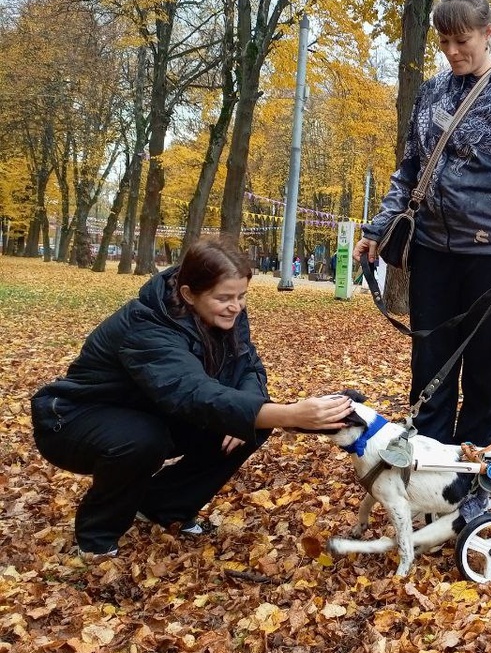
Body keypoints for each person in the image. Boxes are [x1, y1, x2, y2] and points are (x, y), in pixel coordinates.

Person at [30, 235, 353, 558]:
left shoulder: (226, 312)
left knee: (248, 422)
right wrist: (289, 415)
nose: (236, 306)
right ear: (188, 293)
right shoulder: (146, 326)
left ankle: (162, 506)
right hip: (73, 421)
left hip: (152, 413)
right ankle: (97, 535)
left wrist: (245, 415)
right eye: (225, 297)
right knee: (143, 438)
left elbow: (248, 367)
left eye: (242, 296)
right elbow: (190, 392)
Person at [355, 0, 491, 448]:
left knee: (487, 371)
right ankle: (429, 470)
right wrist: (377, 230)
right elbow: (409, 170)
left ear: (487, 33)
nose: (452, 51)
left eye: (462, 40)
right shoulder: (430, 93)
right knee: (429, 367)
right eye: (444, 41)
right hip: (432, 250)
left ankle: (471, 476)